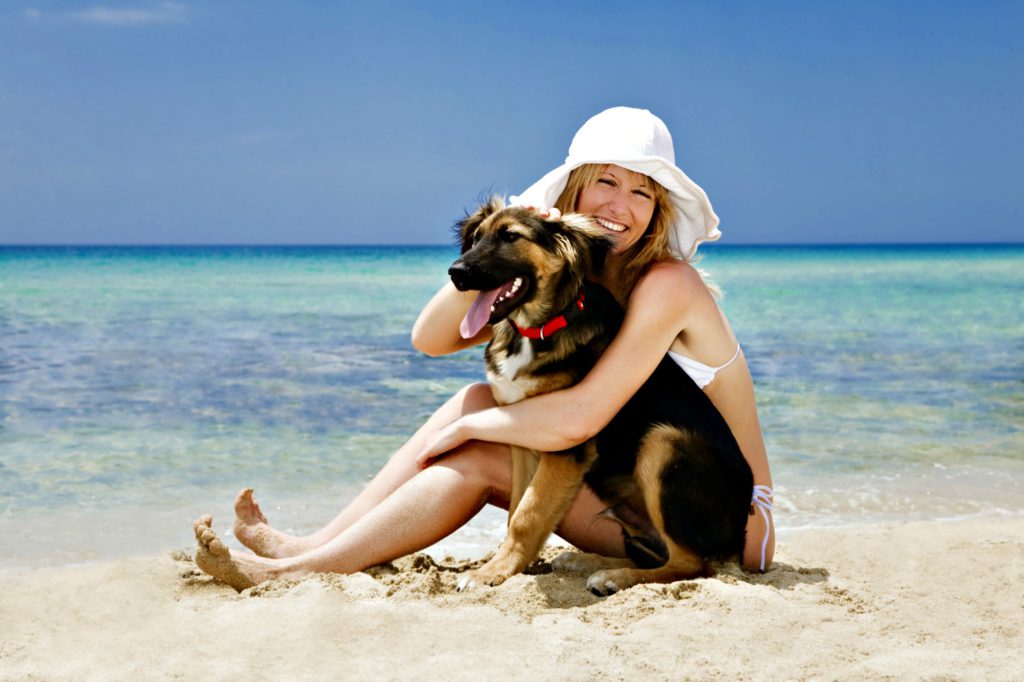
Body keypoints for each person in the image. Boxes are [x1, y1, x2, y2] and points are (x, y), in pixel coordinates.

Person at [193, 106, 775, 591]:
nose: (620, 206)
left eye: (642, 192)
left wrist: (465, 432)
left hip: (726, 521)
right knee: (478, 395)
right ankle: (318, 546)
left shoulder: (668, 284)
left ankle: (297, 571)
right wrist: (502, 234)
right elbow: (432, 338)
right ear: (573, 189)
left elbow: (579, 418)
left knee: (476, 450)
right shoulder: (570, 283)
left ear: (657, 211)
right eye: (605, 181)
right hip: (630, 500)